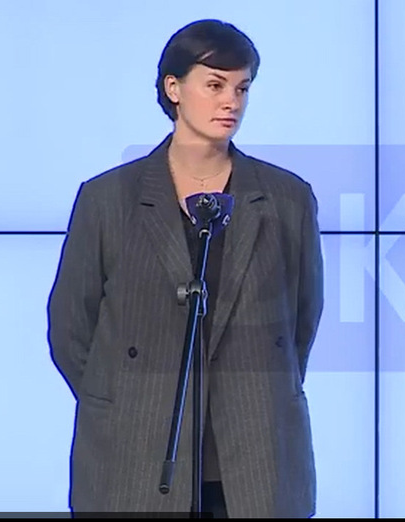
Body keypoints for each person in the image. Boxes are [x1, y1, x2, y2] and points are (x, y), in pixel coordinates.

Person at [47, 19, 324, 518]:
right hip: (134, 449)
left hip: (256, 451)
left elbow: (301, 320)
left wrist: (255, 390)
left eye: (242, 88)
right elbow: (71, 327)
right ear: (173, 88)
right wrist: (126, 399)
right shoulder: (108, 199)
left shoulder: (287, 198)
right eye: (215, 85)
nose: (231, 102)